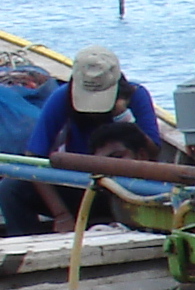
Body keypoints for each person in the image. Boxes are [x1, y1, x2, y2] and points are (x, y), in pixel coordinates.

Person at [0, 47, 163, 237]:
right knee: (10, 189)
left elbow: (153, 153)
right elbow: (35, 156)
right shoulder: (62, 97)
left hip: (124, 188)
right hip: (79, 184)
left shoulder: (136, 95)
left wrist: (123, 116)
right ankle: (25, 243)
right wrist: (61, 214)